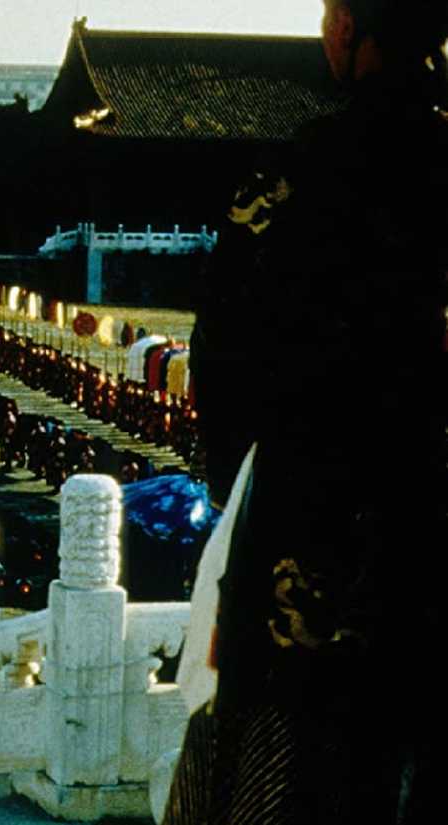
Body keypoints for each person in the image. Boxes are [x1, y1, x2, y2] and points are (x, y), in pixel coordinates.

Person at [168, 1, 448, 822]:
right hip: (435, 498)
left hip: (316, 509)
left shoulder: (293, 178)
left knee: (296, 741)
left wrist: (232, 482)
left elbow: (221, 352)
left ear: (352, 33)